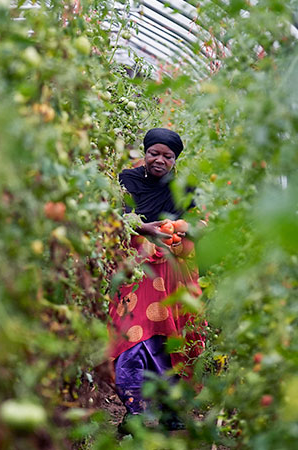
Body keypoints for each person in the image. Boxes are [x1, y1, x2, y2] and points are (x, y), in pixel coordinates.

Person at [110, 128, 205, 433]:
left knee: (171, 335)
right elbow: (117, 217)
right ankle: (134, 411)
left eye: (167, 156)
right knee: (131, 335)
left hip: (174, 271)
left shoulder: (185, 187)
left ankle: (172, 409)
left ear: (176, 159)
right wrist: (145, 229)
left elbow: (201, 222)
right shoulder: (128, 180)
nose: (159, 160)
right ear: (145, 152)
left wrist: (182, 227)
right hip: (138, 272)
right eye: (154, 153)